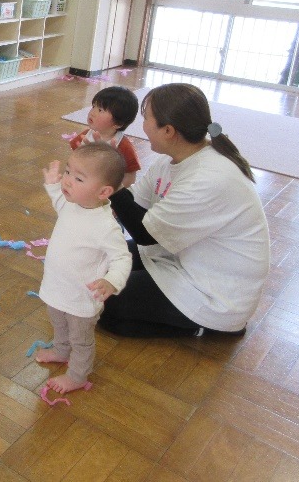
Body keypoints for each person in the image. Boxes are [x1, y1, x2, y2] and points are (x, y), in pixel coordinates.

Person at [101, 83, 270, 338]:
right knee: (102, 262)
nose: (142, 125)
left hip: (215, 292)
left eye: (146, 118)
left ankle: (206, 328)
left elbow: (145, 233)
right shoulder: (173, 159)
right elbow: (136, 205)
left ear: (168, 131)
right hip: (180, 255)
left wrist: (108, 179)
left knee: (108, 303)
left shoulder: (209, 177)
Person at [35, 143, 132, 394]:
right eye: (68, 171)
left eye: (78, 178)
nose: (67, 181)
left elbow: (122, 258)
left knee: (81, 339)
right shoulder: (71, 204)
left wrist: (112, 281)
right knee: (58, 324)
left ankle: (78, 375)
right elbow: (58, 198)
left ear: (103, 191)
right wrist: (52, 184)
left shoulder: (105, 226)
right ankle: (60, 350)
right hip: (57, 288)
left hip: (81, 298)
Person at [68, 86, 141, 187]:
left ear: (118, 123)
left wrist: (114, 191)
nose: (92, 112)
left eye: (100, 110)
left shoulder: (124, 147)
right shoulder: (85, 136)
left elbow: (130, 177)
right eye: (93, 106)